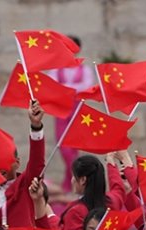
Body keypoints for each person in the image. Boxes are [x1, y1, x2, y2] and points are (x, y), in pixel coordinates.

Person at [0, 101, 46, 228]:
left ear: (17, 163)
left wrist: (36, 126)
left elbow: (37, 163)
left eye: (4, 160)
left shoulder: (25, 186)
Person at [48, 34, 95, 192]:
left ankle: (69, 184)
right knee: (64, 148)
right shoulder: (56, 68)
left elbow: (87, 86)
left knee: (74, 148)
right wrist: (73, 89)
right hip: (61, 113)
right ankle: (72, 180)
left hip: (78, 113)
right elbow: (53, 86)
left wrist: (66, 88)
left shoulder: (85, 69)